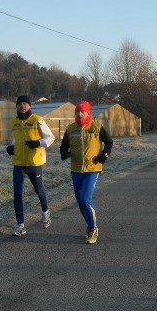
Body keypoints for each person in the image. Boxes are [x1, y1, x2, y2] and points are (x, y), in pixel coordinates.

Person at [59, 101, 113, 244]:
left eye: (82, 111)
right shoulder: (71, 129)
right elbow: (64, 146)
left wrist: (104, 155)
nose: (79, 114)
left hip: (92, 168)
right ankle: (90, 226)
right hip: (76, 169)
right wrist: (64, 153)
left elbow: (109, 142)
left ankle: (93, 228)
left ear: (88, 113)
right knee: (80, 202)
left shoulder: (96, 127)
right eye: (77, 111)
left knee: (85, 199)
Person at [6, 95, 55, 237]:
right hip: (18, 163)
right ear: (17, 106)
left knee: (39, 190)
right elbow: (16, 139)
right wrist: (11, 147)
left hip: (34, 161)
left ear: (30, 106)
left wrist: (38, 143)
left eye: (25, 104)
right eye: (20, 104)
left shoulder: (37, 120)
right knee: (17, 194)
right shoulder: (13, 122)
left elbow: (50, 137)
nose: (23, 106)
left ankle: (45, 212)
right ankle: (20, 225)